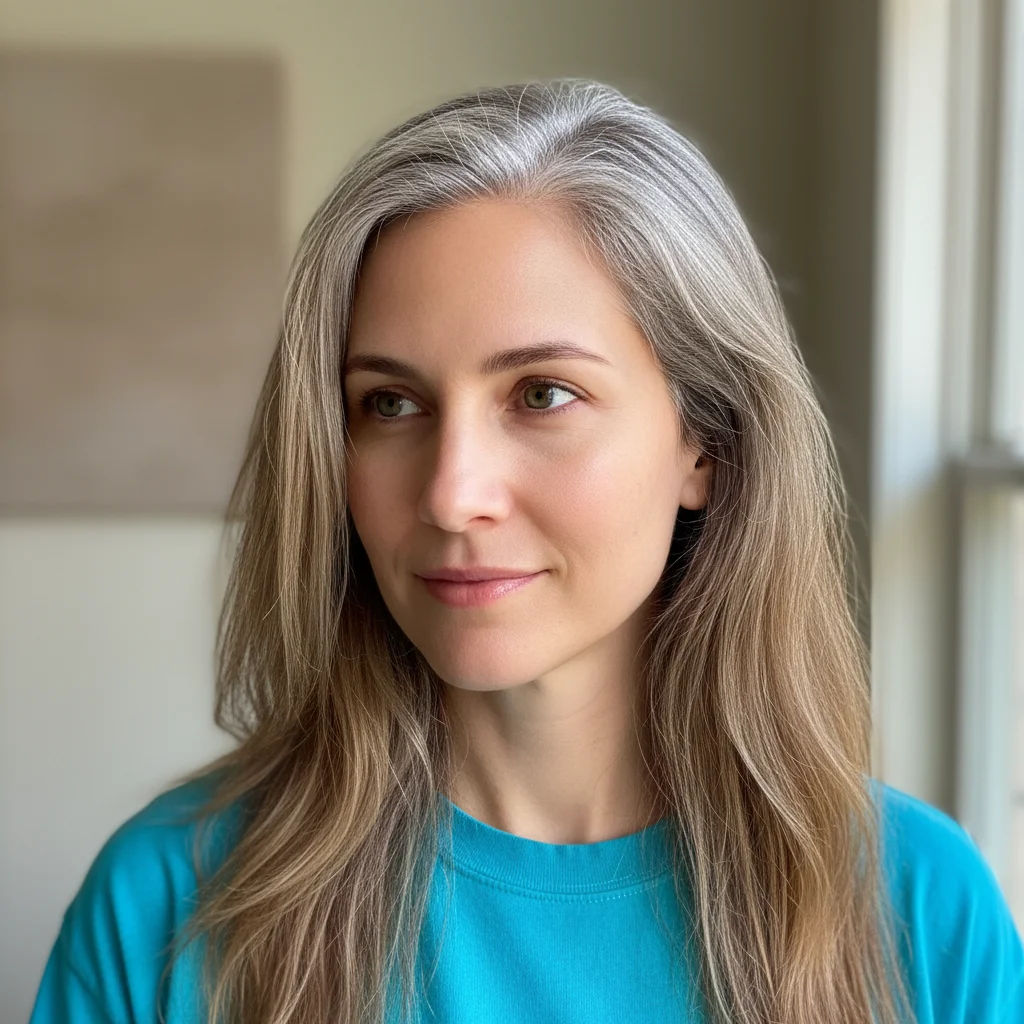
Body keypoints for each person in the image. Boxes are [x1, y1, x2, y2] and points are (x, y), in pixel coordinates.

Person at [27, 78, 1024, 1024]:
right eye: (390, 402)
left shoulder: (918, 910)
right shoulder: (166, 904)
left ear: (705, 445)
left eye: (541, 393)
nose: (452, 493)